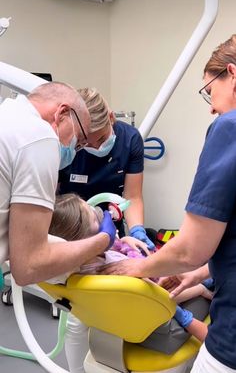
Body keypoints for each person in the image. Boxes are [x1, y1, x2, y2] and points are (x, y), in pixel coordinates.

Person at [99, 34, 236, 372]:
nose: (211, 106)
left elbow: (190, 248)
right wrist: (200, 275)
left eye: (209, 91)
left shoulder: (228, 128)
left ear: (231, 74)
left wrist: (138, 267)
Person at [48, 193, 213, 373]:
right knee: (197, 276)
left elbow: (110, 248)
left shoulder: (86, 261)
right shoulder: (109, 276)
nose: (99, 213)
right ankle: (203, 289)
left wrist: (126, 240)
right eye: (93, 214)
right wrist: (195, 297)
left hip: (136, 294)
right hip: (157, 296)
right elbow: (158, 296)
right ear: (87, 240)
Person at [0, 81, 117, 286]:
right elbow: (29, 267)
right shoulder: (39, 137)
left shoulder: (8, 114)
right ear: (62, 113)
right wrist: (103, 240)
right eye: (79, 141)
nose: (75, 151)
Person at [58, 87, 155, 249]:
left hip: (112, 229)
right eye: (86, 142)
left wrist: (137, 231)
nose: (96, 147)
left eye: (102, 138)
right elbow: (51, 199)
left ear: (111, 118)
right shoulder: (65, 146)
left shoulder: (130, 139)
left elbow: (133, 196)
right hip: (70, 230)